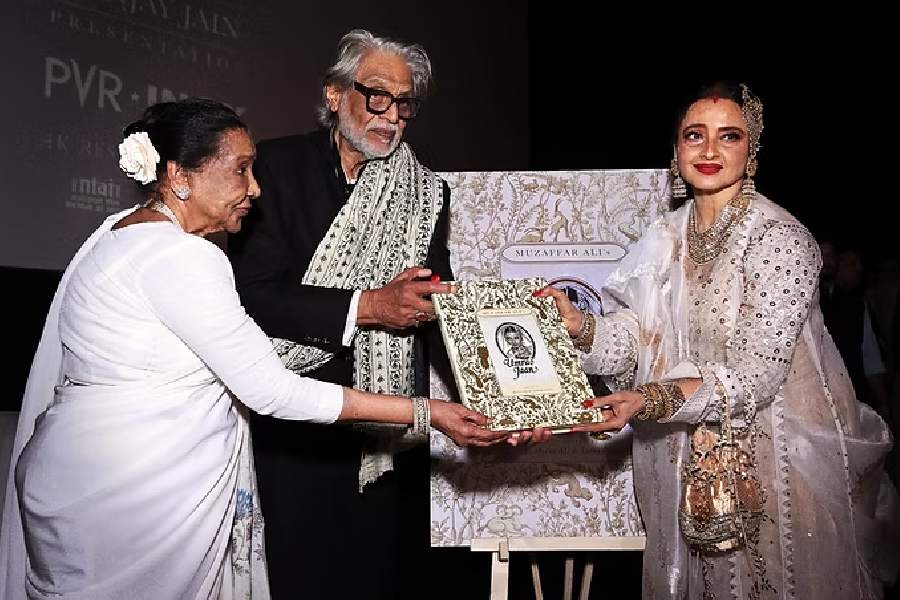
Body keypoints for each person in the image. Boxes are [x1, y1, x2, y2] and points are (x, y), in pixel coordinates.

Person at [0, 99, 504, 600]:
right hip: (137, 501)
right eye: (240, 170)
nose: (255, 188)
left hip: (71, 478)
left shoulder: (112, 233)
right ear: (179, 175)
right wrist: (427, 411)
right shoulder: (187, 256)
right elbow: (273, 391)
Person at [538, 82, 900, 599]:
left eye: (729, 136)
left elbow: (756, 378)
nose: (709, 150)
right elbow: (638, 338)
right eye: (695, 135)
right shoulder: (664, 236)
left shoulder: (780, 239)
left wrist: (647, 400)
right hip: (679, 459)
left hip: (772, 463)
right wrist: (580, 326)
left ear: (751, 151)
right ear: (675, 148)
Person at [226, 30, 455, 599]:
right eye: (377, 96)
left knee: (377, 580)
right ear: (335, 94)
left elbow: (437, 305)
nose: (391, 116)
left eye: (404, 103)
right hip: (293, 426)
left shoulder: (427, 193)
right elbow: (253, 295)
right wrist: (369, 305)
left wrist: (498, 377)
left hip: (388, 437)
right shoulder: (273, 168)